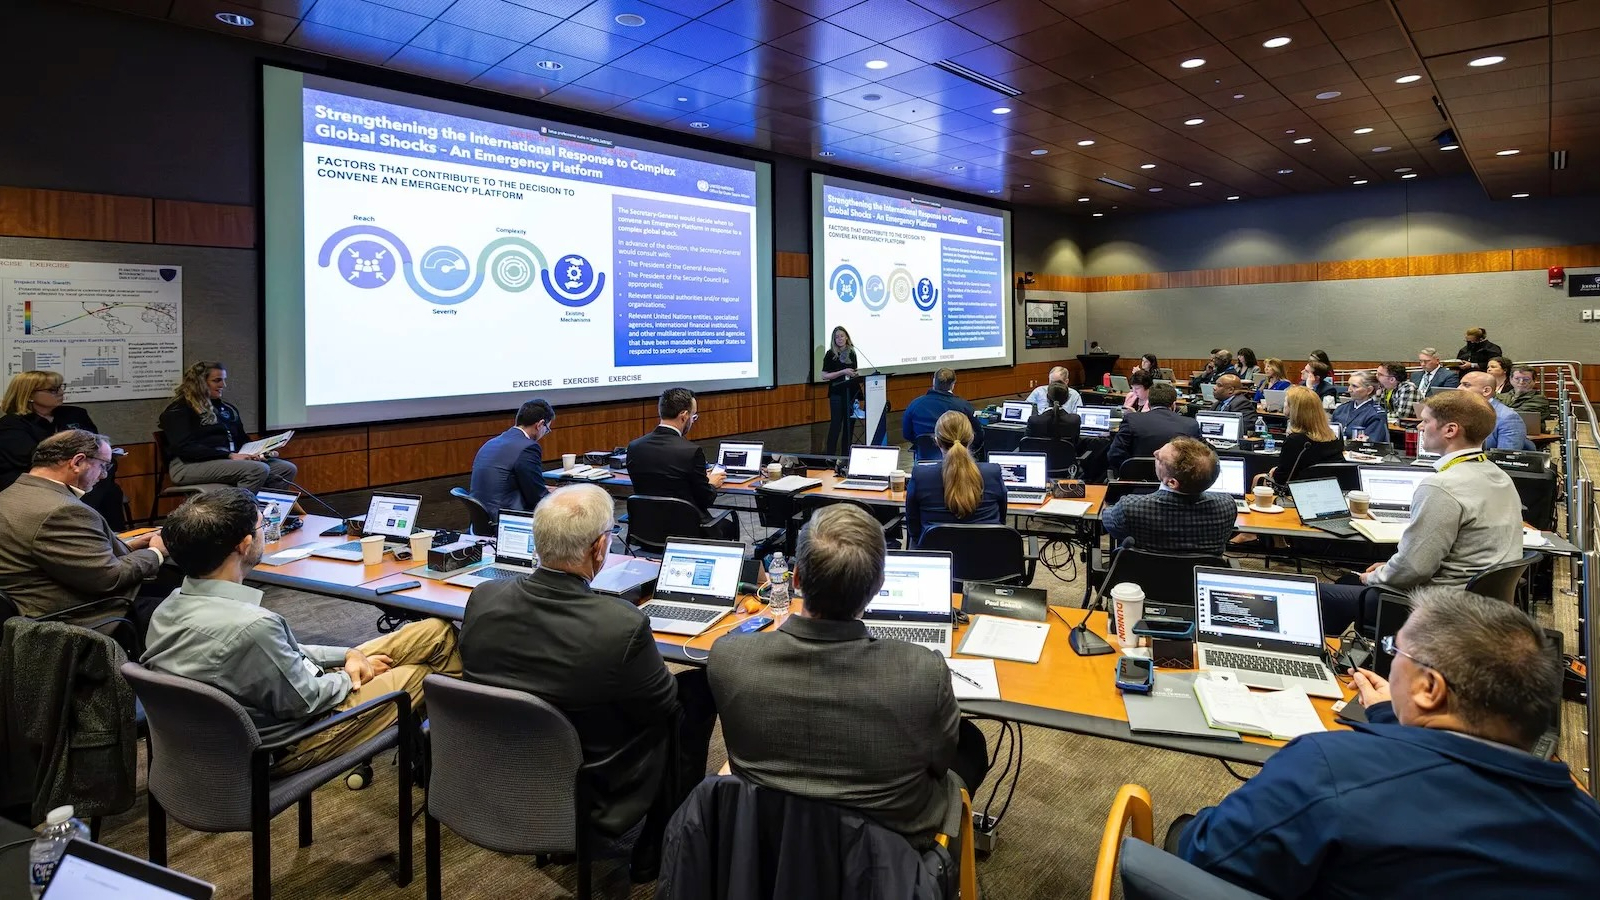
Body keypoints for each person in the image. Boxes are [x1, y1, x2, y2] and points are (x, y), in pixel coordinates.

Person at [1177, 588, 1600, 899]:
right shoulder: (1586, 826)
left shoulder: (1328, 768)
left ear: (1429, 688)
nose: (1390, 661)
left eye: (1396, 652)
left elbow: (1206, 855)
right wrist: (1390, 715)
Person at [459, 484, 715, 882]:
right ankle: (658, 846)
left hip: (496, 767)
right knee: (696, 692)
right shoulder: (620, 624)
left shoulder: (483, 597)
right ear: (599, 549)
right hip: (592, 780)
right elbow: (663, 706)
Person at [708, 504, 989, 847]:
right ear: (879, 585)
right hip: (888, 850)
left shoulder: (728, 658)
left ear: (795, 579)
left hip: (768, 839)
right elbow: (939, 763)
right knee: (970, 743)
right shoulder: (923, 670)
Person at [142, 488, 461, 773]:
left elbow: (282, 653)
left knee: (434, 631)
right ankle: (456, 764)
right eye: (262, 526)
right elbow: (304, 701)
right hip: (294, 739)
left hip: (275, 709)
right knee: (423, 675)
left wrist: (348, 654)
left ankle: (436, 755)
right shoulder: (253, 627)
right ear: (244, 545)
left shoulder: (169, 607)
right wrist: (349, 676)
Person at [1319, 391, 1523, 633]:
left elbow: (1414, 570)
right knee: (1351, 582)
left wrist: (1374, 577)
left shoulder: (1442, 486)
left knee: (1319, 593)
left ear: (1450, 430)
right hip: (1481, 604)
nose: (1420, 427)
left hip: (1436, 606)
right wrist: (1391, 568)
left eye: (1426, 421)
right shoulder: (1500, 476)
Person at [0, 430, 165, 623]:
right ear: (77, 462)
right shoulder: (63, 510)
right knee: (185, 609)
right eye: (103, 466)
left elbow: (63, 555)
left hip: (32, 609)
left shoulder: (10, 494)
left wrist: (128, 546)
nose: (104, 475)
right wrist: (156, 552)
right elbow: (109, 578)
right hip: (82, 617)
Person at [0, 369, 126, 528]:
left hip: (79, 475)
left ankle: (113, 536)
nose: (60, 392)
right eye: (53, 390)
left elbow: (96, 446)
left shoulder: (75, 414)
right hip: (37, 482)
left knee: (109, 486)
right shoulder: (11, 424)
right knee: (95, 490)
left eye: (61, 387)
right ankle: (87, 531)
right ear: (30, 395)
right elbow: (35, 459)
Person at [158, 361, 297, 490]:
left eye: (224, 380)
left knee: (285, 468)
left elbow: (241, 439)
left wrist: (258, 452)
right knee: (257, 470)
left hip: (226, 460)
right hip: (188, 465)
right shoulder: (179, 410)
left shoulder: (227, 409)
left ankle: (267, 507)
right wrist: (229, 455)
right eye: (217, 380)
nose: (223, 385)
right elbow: (184, 447)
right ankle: (238, 507)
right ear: (199, 383)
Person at [626, 387, 735, 540]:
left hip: (645, 532)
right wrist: (711, 483)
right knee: (728, 527)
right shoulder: (691, 451)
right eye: (694, 417)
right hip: (687, 533)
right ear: (684, 416)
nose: (693, 421)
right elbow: (705, 499)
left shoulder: (634, 447)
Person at [1101, 437, 1237, 555]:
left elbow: (1108, 522)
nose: (1155, 453)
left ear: (1172, 482)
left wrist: (1104, 503)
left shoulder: (1130, 507)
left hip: (1145, 574)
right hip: (1200, 575)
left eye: (1160, 459)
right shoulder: (1227, 506)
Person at [906, 411, 1006, 545]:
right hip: (987, 554)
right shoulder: (993, 472)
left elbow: (913, 529)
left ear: (937, 441)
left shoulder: (920, 475)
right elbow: (1002, 520)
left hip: (936, 554)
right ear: (971, 438)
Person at [467, 398, 554, 522]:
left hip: (481, 521)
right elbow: (537, 497)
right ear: (540, 425)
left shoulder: (491, 443)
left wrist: (543, 488)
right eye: (547, 430)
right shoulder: (528, 447)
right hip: (508, 519)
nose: (545, 434)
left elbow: (506, 481)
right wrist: (562, 495)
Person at [1107, 382, 1200, 474]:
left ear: (1148, 404)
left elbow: (1114, 454)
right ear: (1174, 405)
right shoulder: (1190, 424)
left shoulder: (1131, 420)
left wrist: (1130, 472)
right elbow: (1200, 458)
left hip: (1136, 479)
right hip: (1175, 478)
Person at [1266, 386, 1342, 485]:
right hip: (1329, 487)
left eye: (1285, 402)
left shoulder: (1295, 441)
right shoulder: (1333, 438)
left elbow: (1282, 479)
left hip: (1298, 489)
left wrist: (1275, 472)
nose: (1283, 404)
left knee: (1258, 478)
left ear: (1294, 409)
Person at [902, 368, 982, 450]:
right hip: (955, 454)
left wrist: (924, 446)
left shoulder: (914, 405)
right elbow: (977, 435)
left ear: (934, 381)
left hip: (923, 454)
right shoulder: (963, 406)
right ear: (953, 384)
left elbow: (907, 434)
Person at [1461, 371, 1532, 451]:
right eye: (1460, 384)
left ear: (1486, 391)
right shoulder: (1459, 412)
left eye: (1466, 385)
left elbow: (1505, 456)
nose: (1458, 388)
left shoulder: (1508, 418)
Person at [820, 326, 862, 458]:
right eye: (837, 337)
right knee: (836, 425)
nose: (840, 339)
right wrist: (843, 372)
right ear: (834, 339)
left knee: (849, 426)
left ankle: (846, 457)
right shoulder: (830, 354)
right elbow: (824, 375)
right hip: (837, 393)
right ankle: (830, 457)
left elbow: (854, 370)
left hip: (851, 393)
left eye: (842, 336)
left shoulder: (852, 352)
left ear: (847, 337)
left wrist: (855, 374)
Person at [1330, 370, 1388, 441]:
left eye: (1355, 386)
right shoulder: (1341, 409)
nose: (1349, 390)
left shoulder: (1376, 414)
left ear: (1369, 390)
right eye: (1349, 385)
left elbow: (1372, 442)